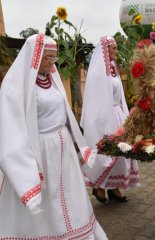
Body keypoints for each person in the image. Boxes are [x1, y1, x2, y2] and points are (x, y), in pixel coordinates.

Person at [0, 34, 107, 239]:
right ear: (34, 56)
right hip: (37, 151)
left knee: (68, 194)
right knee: (46, 199)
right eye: (48, 57)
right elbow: (11, 131)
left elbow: (63, 113)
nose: (52, 62)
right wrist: (24, 167)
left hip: (62, 149)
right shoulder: (15, 87)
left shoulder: (54, 81)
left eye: (54, 57)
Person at [81, 36, 140, 203]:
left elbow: (118, 95)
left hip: (117, 114)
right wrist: (102, 121)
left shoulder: (113, 68)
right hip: (103, 116)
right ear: (105, 51)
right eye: (113, 48)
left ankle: (114, 188)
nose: (116, 51)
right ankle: (99, 187)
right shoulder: (97, 73)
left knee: (121, 153)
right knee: (106, 151)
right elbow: (96, 101)